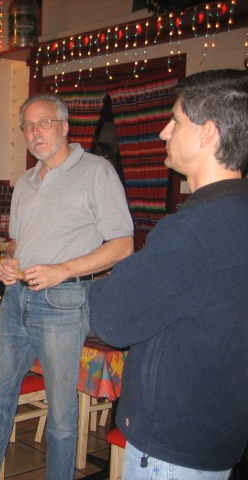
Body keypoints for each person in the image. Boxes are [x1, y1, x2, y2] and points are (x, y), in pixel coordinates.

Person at [89, 69, 248, 479]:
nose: (163, 132)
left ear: (207, 133)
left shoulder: (192, 230)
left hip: (173, 444)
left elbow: (112, 320)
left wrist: (102, 283)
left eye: (175, 121)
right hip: (220, 428)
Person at [0, 92, 134, 480]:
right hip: (16, 298)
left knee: (60, 416)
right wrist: (8, 260)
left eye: (44, 122)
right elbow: (16, 241)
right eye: (27, 126)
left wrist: (62, 270)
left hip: (64, 301)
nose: (35, 132)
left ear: (65, 126)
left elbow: (123, 245)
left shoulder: (97, 171)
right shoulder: (25, 181)